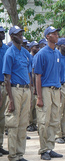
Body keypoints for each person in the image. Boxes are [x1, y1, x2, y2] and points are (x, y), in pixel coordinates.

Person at [3, 25, 32, 161]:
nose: (21, 36)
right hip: (14, 89)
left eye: (21, 34)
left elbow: (31, 68)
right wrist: (11, 100)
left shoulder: (25, 52)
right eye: (18, 34)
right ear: (12, 37)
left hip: (26, 89)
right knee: (13, 123)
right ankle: (13, 155)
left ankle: (20, 153)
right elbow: (6, 79)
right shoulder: (10, 53)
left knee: (23, 123)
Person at [34, 26, 63, 160]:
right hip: (45, 90)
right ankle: (43, 149)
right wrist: (39, 97)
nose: (57, 35)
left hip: (56, 90)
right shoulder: (41, 54)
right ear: (47, 37)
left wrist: (60, 91)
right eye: (53, 33)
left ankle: (50, 148)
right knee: (44, 121)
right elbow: (38, 76)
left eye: (57, 33)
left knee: (54, 120)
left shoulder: (57, 53)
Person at [55, 38, 65, 144]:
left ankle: (64, 133)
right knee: (58, 111)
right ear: (60, 46)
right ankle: (57, 134)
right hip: (59, 86)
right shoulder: (56, 56)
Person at [0, 26, 9, 157]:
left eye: (2, 32)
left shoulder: (7, 49)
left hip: (5, 85)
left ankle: (0, 145)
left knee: (2, 118)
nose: (2, 34)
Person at [27, 41, 40, 132]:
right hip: (31, 84)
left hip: (35, 84)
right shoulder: (29, 57)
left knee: (35, 105)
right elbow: (31, 73)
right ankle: (30, 123)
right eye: (35, 47)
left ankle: (34, 123)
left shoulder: (37, 57)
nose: (37, 49)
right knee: (30, 105)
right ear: (31, 48)